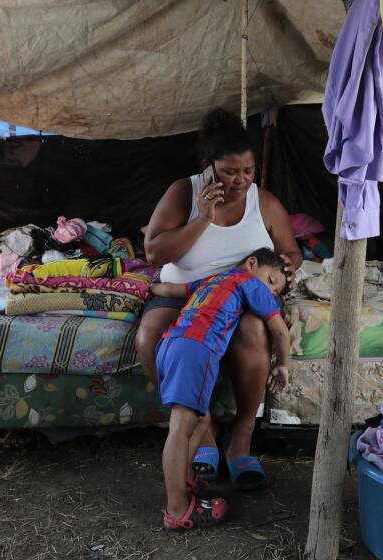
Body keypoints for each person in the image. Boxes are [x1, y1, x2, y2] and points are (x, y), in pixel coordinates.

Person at [138, 108, 302, 487]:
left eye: (248, 171)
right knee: (150, 337)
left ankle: (241, 442)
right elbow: (154, 254)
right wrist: (203, 219)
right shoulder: (184, 192)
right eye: (230, 172)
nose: (241, 180)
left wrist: (288, 269)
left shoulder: (264, 203)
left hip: (240, 296)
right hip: (185, 294)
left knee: (253, 331)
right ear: (208, 167)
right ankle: (205, 431)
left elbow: (291, 252)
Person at [152, 249, 291, 529]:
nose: (271, 292)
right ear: (253, 264)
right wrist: (283, 365)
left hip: (169, 344)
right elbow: (279, 330)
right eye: (271, 281)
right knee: (181, 427)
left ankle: (187, 482)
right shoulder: (249, 282)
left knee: (201, 418)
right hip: (196, 347)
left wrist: (148, 286)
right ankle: (177, 510)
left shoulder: (212, 280)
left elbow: (168, 288)